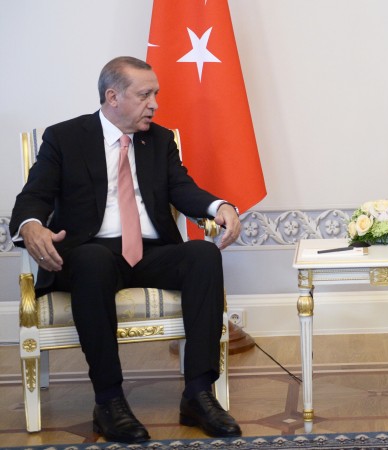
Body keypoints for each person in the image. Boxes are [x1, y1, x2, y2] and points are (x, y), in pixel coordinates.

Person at [10, 56, 243, 443]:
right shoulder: (65, 138)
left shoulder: (159, 140)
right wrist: (31, 225)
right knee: (93, 260)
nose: (155, 104)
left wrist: (219, 206)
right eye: (145, 95)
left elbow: (182, 188)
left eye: (156, 94)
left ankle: (199, 394)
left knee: (203, 254)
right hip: (91, 254)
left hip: (150, 252)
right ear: (112, 97)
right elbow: (33, 196)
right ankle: (109, 401)